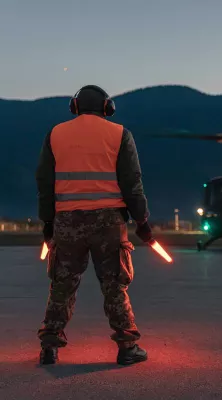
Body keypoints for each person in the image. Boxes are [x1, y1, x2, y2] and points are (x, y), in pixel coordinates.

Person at [35, 85, 154, 365]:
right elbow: (132, 183)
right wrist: (142, 221)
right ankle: (127, 347)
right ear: (107, 108)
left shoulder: (55, 134)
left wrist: (47, 222)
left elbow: (44, 183)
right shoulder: (120, 134)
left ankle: (49, 346)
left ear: (74, 107)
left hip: (67, 220)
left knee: (62, 284)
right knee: (114, 285)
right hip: (108, 222)